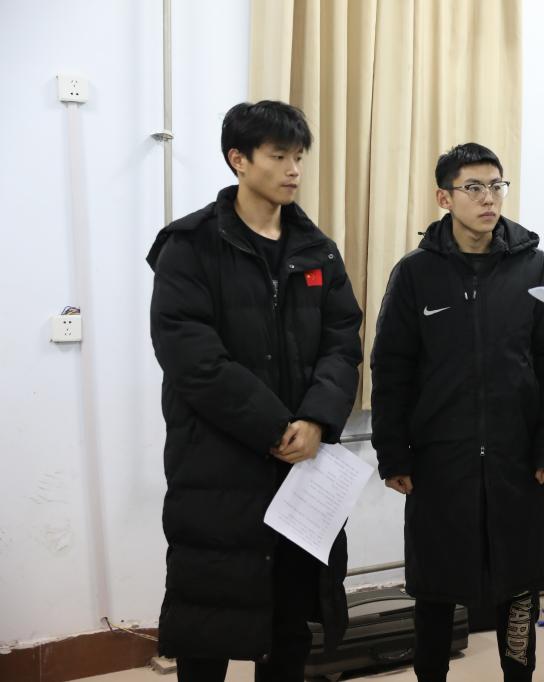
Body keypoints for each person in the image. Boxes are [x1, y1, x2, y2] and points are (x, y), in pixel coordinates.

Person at [146, 100, 363, 682]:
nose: (294, 169)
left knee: (290, 624)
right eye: (279, 156)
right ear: (238, 159)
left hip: (300, 465)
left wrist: (316, 420)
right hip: (216, 466)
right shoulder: (190, 246)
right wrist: (274, 427)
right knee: (207, 620)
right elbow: (192, 358)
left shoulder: (317, 249)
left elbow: (343, 341)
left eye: (299, 157)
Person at [371, 142, 544, 682]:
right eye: (474, 188)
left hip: (515, 458)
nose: (489, 199)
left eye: (496, 186)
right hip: (440, 461)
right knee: (435, 587)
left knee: (519, 584)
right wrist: (393, 453)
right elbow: (390, 368)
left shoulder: (532, 265)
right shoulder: (416, 273)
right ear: (445, 198)